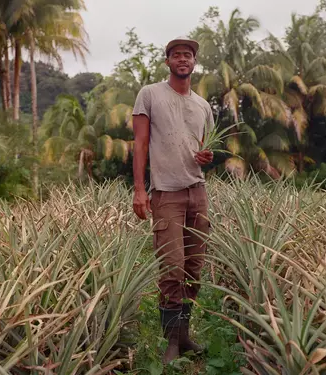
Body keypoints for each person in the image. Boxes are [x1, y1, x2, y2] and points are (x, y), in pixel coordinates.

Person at [131, 36, 214, 365]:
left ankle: (183, 336)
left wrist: (206, 157)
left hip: (198, 192)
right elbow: (139, 144)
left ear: (194, 63)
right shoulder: (150, 94)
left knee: (193, 268)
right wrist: (140, 189)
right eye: (177, 55)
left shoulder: (203, 106)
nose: (183, 59)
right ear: (168, 62)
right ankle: (171, 344)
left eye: (189, 55)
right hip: (166, 193)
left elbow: (203, 149)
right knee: (172, 268)